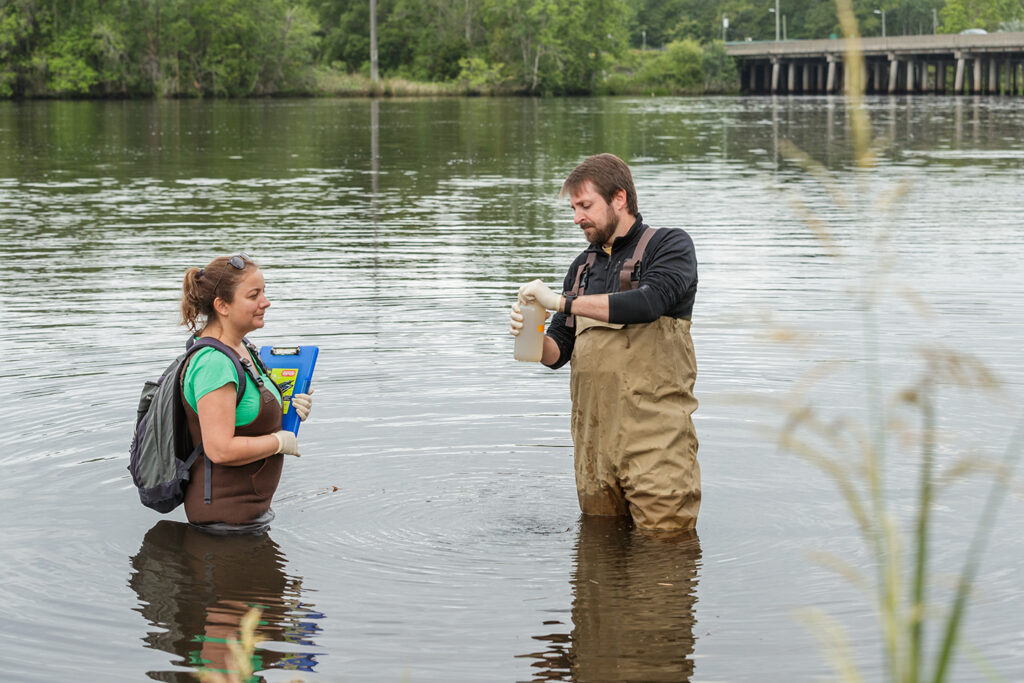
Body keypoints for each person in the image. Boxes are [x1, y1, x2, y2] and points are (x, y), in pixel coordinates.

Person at [510, 153, 700, 531]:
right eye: (574, 208)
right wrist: (529, 330)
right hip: (593, 448)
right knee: (595, 567)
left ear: (619, 198)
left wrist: (561, 302)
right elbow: (557, 353)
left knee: (666, 563)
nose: (577, 217)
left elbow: (650, 302)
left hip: (656, 447)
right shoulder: (582, 268)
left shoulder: (670, 246)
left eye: (585, 205)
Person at [179, 252, 312, 532]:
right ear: (222, 306)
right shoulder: (214, 363)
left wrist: (288, 408)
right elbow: (220, 449)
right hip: (223, 528)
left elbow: (248, 414)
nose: (266, 302)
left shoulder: (243, 348)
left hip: (247, 521)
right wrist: (278, 442)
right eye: (253, 295)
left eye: (264, 292)